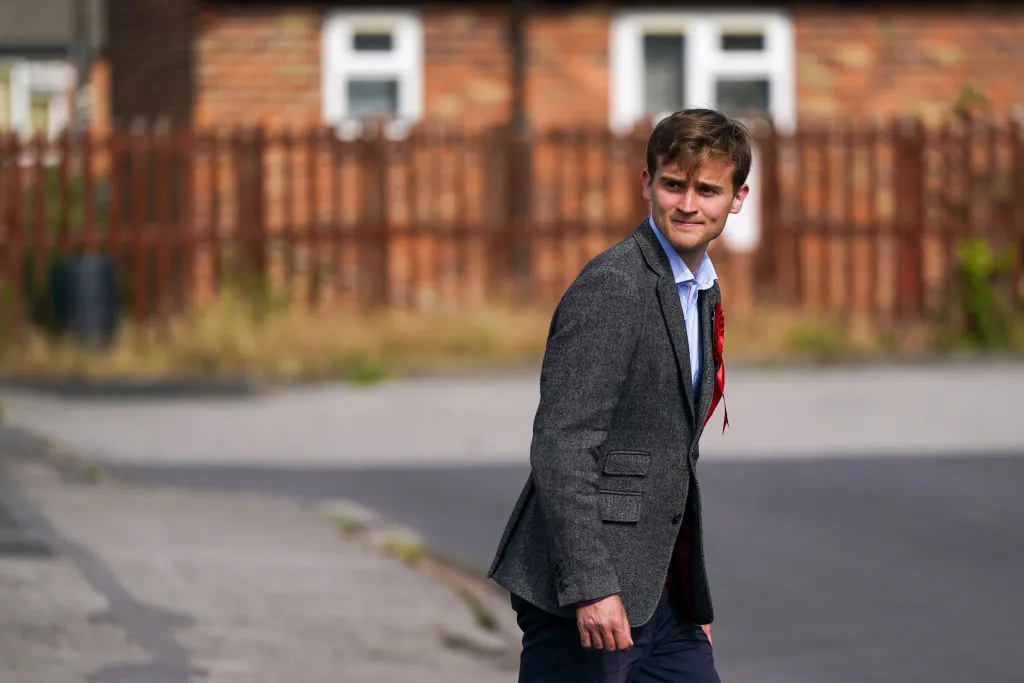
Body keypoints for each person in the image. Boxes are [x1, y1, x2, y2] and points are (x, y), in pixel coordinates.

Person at [486, 107, 752, 682]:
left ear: (737, 199)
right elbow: (563, 444)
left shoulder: (697, 286)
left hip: (661, 596)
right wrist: (592, 588)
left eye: (707, 190)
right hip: (590, 598)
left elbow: (667, 455)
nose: (688, 204)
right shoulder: (614, 286)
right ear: (647, 184)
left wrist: (689, 599)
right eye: (673, 184)